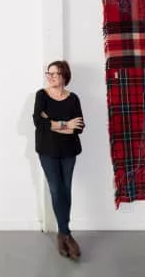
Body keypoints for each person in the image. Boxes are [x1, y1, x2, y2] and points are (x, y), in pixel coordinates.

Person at [32, 60, 84, 259]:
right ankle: (66, 234)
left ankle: (62, 235)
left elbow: (79, 127)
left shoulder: (73, 98)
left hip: (69, 151)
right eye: (49, 73)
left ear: (64, 76)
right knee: (56, 189)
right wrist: (66, 125)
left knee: (66, 190)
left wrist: (53, 123)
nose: (50, 77)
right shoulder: (41, 95)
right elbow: (39, 122)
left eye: (55, 73)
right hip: (48, 150)